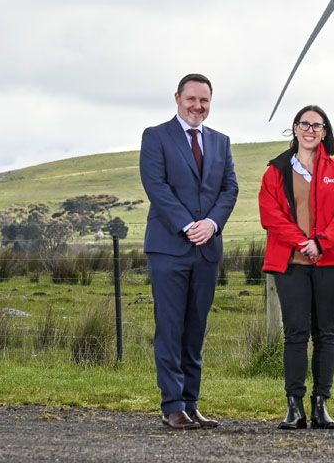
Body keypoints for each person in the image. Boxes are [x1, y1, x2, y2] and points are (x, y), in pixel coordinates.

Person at [139, 73, 239, 430]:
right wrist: (188, 224)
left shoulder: (221, 142)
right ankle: (173, 405)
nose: (198, 106)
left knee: (195, 329)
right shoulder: (156, 136)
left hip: (207, 249)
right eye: (192, 99)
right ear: (178, 98)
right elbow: (157, 186)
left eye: (205, 101)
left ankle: (192, 403)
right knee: (170, 326)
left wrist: (211, 224)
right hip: (169, 248)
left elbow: (230, 188)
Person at [259, 105, 334, 430]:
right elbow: (270, 215)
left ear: (324, 133)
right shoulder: (275, 171)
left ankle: (321, 405)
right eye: (305, 124)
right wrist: (303, 241)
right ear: (295, 128)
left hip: (330, 260)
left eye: (317, 126)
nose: (311, 130)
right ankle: (294, 406)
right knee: (295, 333)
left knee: (326, 333)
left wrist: (322, 241)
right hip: (290, 262)